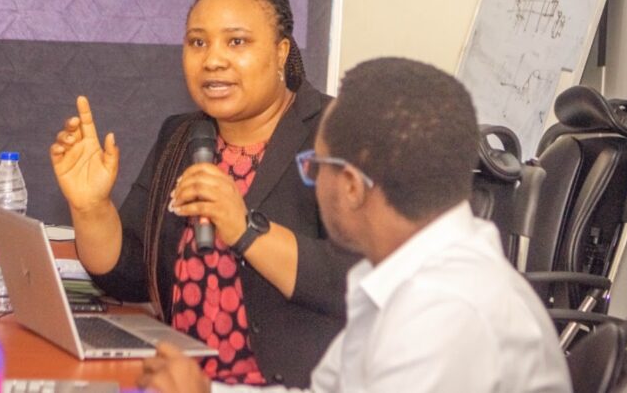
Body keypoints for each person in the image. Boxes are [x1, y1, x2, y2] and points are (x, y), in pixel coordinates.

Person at [139, 57, 573, 393]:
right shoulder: (398, 276)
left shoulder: (446, 310)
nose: (313, 181)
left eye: (315, 167)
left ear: (349, 185)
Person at [50, 0, 357, 387]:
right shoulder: (180, 137)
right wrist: (91, 208)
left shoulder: (337, 134)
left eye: (237, 41)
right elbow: (129, 275)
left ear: (282, 51)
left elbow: (355, 281)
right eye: (198, 42)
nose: (213, 59)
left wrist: (244, 228)